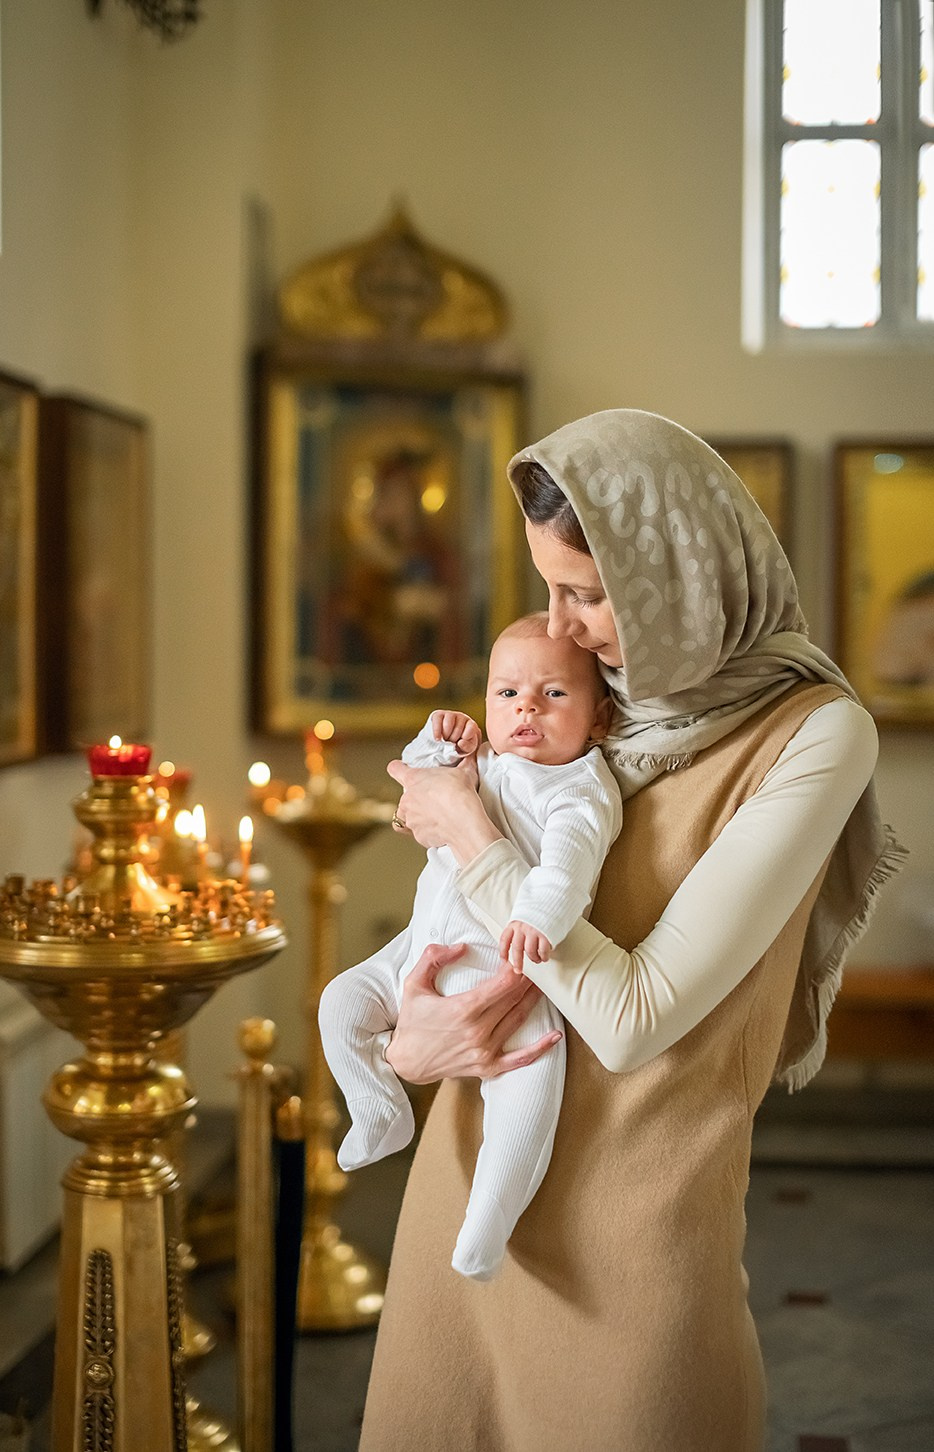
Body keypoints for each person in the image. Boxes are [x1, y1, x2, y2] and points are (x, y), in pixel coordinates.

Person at [358, 409, 906, 1452]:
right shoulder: (579, 700)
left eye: (588, 594)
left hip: (636, 1239)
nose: (560, 629)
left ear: (677, 575)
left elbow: (635, 1016)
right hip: (474, 1194)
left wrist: (470, 832)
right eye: (550, 589)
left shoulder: (814, 734)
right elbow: (451, 946)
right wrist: (409, 1044)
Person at [319, 613, 619, 1281]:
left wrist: (539, 916)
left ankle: (488, 1223)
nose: (527, 709)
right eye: (506, 693)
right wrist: (436, 740)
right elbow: (420, 789)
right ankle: (378, 1110)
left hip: (509, 968)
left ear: (599, 719)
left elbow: (567, 865)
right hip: (417, 949)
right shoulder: (483, 760)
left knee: (528, 1100)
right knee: (339, 1002)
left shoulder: (580, 789)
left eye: (554, 694)